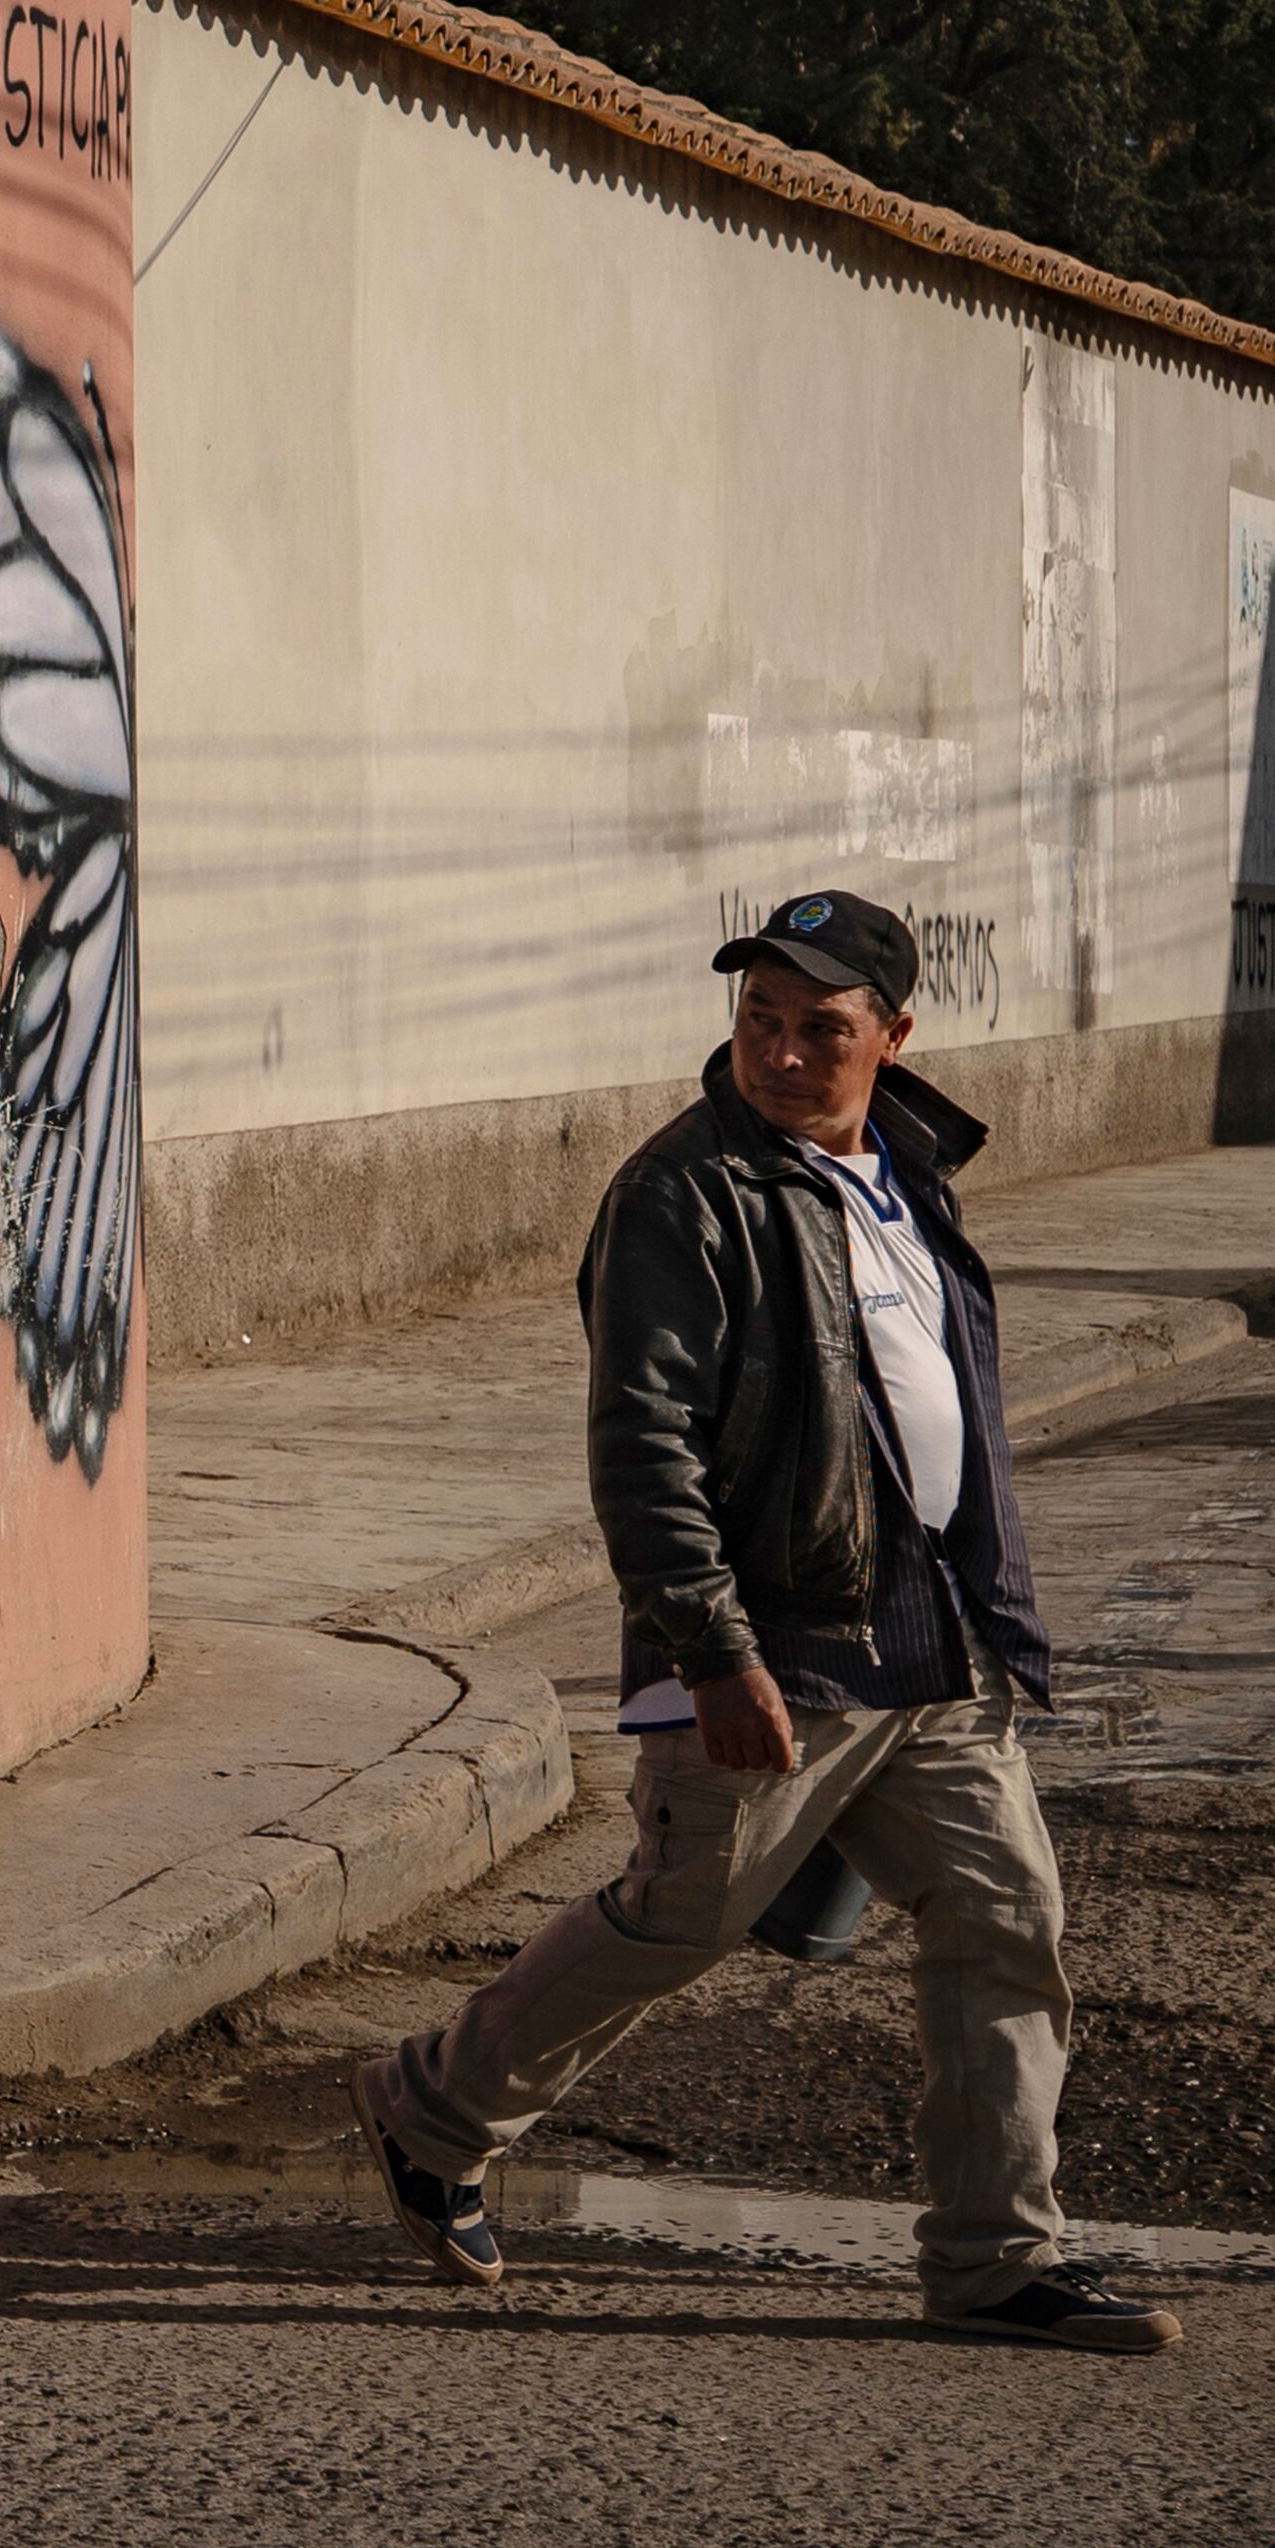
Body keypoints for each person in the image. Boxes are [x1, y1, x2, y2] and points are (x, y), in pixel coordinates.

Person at [356, 891, 1171, 2351]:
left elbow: (936, 1397)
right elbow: (643, 1445)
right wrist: (710, 1648)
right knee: (687, 1915)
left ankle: (994, 2260)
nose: (783, 1054)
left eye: (821, 1028)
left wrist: (993, 1606)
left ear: (893, 1035)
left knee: (1008, 1920)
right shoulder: (685, 1194)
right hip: (779, 1639)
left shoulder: (910, 1169)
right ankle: (436, 2105)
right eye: (760, 1022)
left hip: (929, 1633)